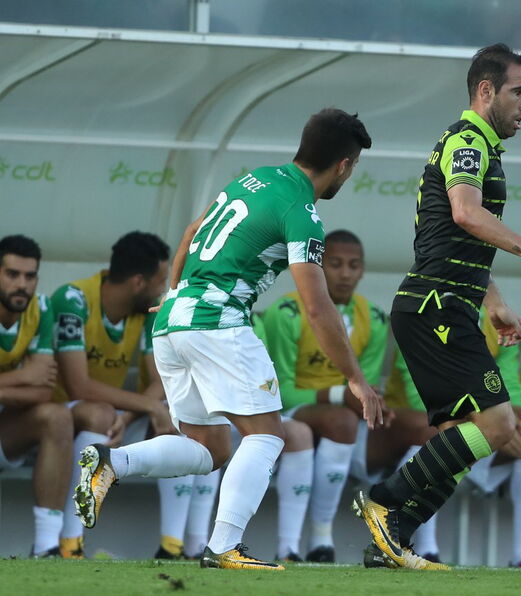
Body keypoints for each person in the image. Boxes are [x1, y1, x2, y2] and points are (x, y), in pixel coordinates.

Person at [73, 107, 382, 571]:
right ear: (344, 165)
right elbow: (316, 308)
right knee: (267, 437)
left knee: (211, 449)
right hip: (219, 323)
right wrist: (355, 379)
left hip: (173, 323)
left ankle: (113, 463)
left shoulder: (253, 179)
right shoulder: (302, 212)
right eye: (353, 166)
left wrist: (175, 291)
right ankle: (223, 549)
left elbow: (192, 231)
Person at [353, 43, 521, 571]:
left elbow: (451, 238)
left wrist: (493, 301)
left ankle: (393, 537)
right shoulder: (468, 140)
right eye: (519, 91)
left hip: (446, 304)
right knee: (497, 425)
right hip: (434, 308)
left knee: (466, 436)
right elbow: (466, 215)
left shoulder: (484, 148)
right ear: (485, 90)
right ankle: (384, 502)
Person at [364, 305, 521, 568]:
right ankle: (424, 546)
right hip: (417, 424)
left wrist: (510, 421)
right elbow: (426, 402)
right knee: (438, 433)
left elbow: (512, 394)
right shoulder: (424, 315)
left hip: (472, 421)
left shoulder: (496, 320)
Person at [261, 229, 389, 562]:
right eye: (335, 264)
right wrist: (338, 394)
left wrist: (374, 404)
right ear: (317, 266)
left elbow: (368, 386)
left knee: (388, 425)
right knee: (342, 418)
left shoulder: (374, 319)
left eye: (354, 265)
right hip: (290, 412)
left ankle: (323, 542)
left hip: (343, 420)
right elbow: (278, 392)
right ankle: (317, 539)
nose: (346, 274)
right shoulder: (285, 312)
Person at [50, 231, 175, 559]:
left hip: (111, 416)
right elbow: (79, 386)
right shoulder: (73, 299)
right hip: (59, 413)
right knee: (99, 413)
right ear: (138, 281)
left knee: (181, 419)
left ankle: (176, 547)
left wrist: (128, 415)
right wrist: (146, 405)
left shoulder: (147, 310)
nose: (162, 289)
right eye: (160, 281)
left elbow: (161, 377)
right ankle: (69, 542)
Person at [0, 235, 74, 558]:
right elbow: (31, 379)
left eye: (30, 276)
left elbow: (42, 389)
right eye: (12, 274)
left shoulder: (40, 308)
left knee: (57, 416)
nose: (22, 285)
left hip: (7, 427)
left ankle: (47, 547)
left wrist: (20, 384)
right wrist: (22, 377)